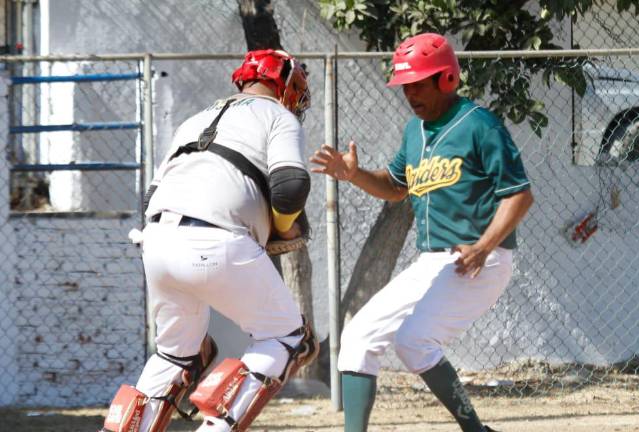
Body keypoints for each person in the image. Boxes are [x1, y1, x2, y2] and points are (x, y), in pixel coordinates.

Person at [311, 33, 534, 432]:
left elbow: (519, 195)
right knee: (358, 338)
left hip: (481, 259)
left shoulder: (479, 125)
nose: (409, 93)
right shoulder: (415, 131)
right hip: (433, 260)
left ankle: (475, 430)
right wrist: (354, 174)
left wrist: (484, 247)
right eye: (405, 85)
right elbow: (396, 186)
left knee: (414, 341)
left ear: (446, 79)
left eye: (418, 83)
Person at [101, 49, 318, 432]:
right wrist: (281, 225)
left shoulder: (196, 119)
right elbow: (290, 187)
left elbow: (151, 199)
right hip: (218, 241)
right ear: (284, 86)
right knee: (287, 336)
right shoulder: (278, 115)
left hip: (158, 243)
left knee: (174, 355)